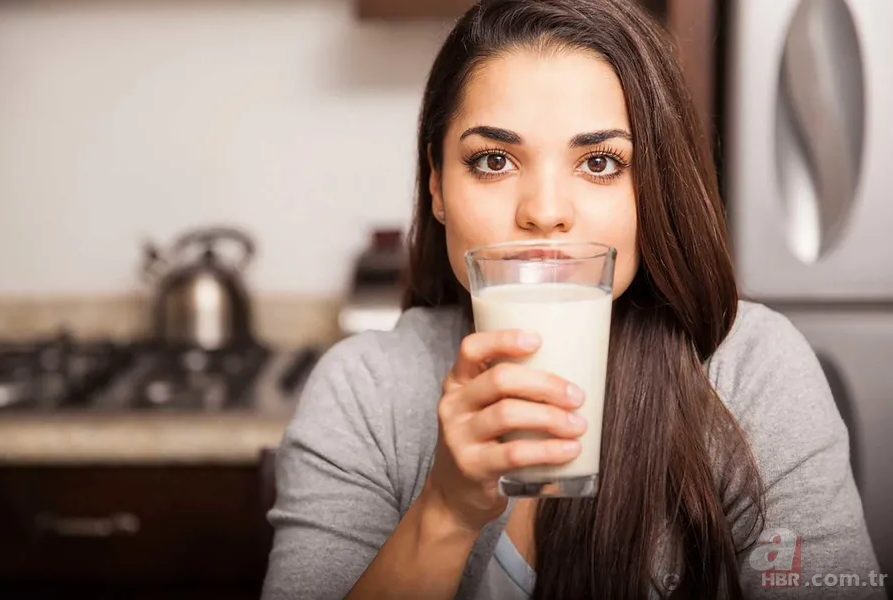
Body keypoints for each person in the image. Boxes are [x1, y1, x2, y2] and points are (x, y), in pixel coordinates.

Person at [261, 0, 884, 598]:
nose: (546, 213)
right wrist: (446, 511)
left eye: (601, 162)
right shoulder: (365, 391)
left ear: (654, 188)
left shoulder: (753, 369)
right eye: (495, 159)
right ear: (437, 186)